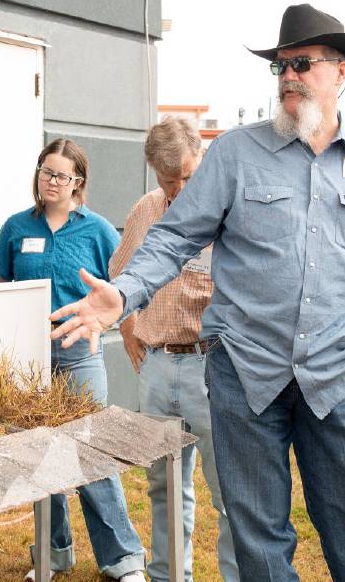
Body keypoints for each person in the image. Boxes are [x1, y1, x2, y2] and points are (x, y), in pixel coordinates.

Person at [50, 4, 345, 581]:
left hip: (336, 379)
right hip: (246, 376)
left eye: (302, 64)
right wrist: (125, 294)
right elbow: (174, 236)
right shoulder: (235, 154)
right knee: (258, 539)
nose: (288, 76)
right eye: (280, 66)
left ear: (340, 71)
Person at [0, 140, 145, 581]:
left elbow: (124, 292)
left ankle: (123, 559)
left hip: (80, 355)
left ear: (79, 182)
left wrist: (130, 337)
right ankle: (53, 552)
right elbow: (1, 288)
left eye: (61, 175)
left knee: (91, 452)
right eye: (46, 171)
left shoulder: (97, 230)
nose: (51, 181)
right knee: (42, 458)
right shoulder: (17, 227)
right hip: (30, 360)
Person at [112, 117, 237, 582]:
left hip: (213, 366)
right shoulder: (146, 209)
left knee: (230, 492)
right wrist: (128, 326)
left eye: (188, 175)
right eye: (170, 181)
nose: (181, 189)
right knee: (164, 485)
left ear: (201, 158)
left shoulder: (227, 209)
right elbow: (121, 273)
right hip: (159, 367)